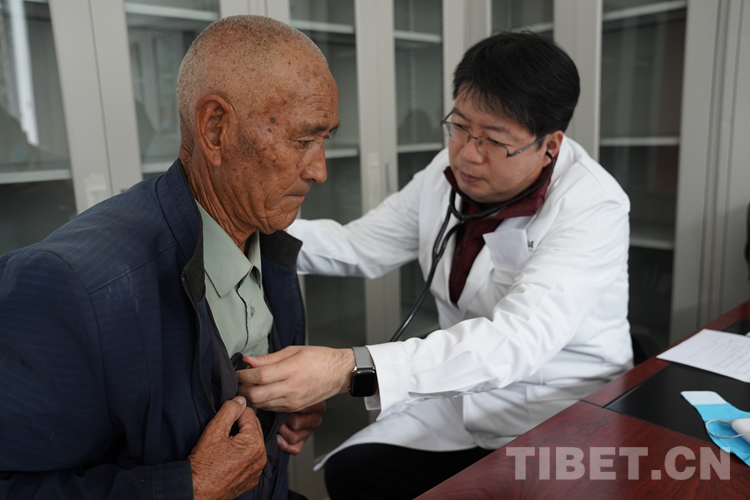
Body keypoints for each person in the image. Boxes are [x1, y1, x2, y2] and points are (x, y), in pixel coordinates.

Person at [239, 31, 632, 499]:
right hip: (463, 398)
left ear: (550, 145)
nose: (467, 153)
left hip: (562, 408)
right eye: (460, 126)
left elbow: (515, 342)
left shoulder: (592, 206)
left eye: (494, 140)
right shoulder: (446, 178)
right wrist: (250, 224)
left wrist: (346, 368)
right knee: (351, 472)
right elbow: (358, 245)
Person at [0, 15, 338, 500]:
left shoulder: (266, 234)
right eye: (303, 141)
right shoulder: (73, 286)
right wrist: (189, 488)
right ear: (216, 129)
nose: (319, 170)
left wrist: (284, 406)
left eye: (325, 139)